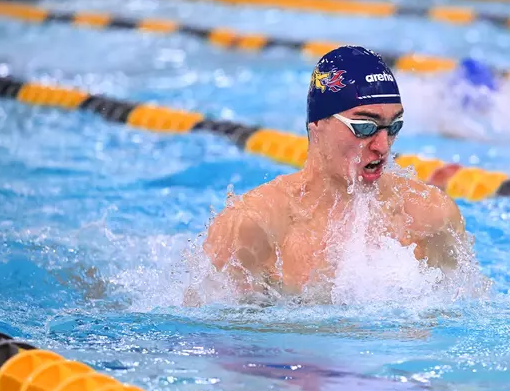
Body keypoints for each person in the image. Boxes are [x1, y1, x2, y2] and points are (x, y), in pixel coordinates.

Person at [201, 45, 473, 300]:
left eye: (394, 127)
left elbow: (463, 312)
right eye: (365, 127)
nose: (382, 146)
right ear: (317, 124)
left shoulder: (430, 216)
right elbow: (214, 327)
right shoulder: (254, 226)